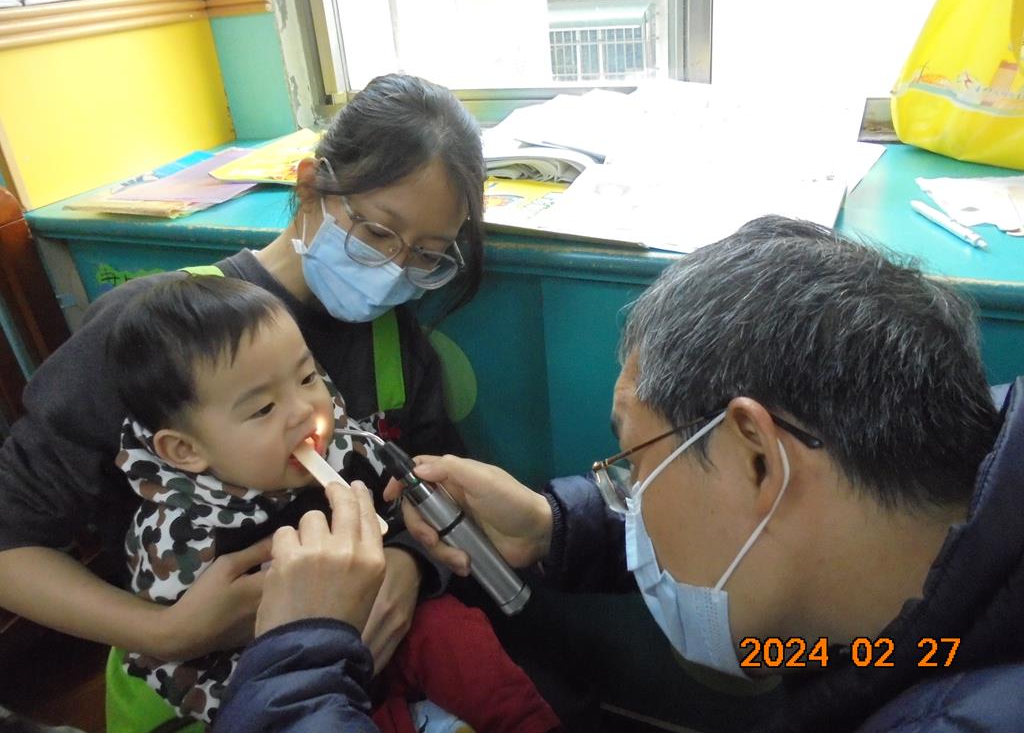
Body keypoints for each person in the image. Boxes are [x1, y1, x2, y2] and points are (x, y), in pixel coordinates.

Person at [217, 217, 1023, 733]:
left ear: (756, 456)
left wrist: (296, 663)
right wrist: (554, 525)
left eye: (633, 465)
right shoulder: (923, 581)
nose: (628, 501)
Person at [0, 74, 486, 725]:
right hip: (195, 692)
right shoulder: (155, 332)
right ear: (310, 188)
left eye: (426, 255)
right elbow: (10, 541)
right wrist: (170, 632)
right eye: (376, 232)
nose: (394, 269)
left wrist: (408, 564)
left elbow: (437, 487)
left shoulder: (394, 344)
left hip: (352, 679)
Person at [108, 275, 559, 732]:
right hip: (276, 681)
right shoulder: (180, 538)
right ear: (186, 450)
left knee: (450, 630)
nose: (305, 409)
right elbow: (188, 671)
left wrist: (407, 549)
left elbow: (407, 523)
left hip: (388, 628)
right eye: (263, 409)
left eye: (307, 378)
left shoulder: (349, 447)